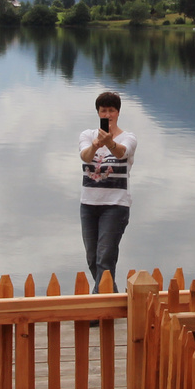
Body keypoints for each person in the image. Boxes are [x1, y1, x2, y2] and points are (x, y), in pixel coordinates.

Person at [79, 91, 137, 291]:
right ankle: (111, 297)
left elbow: (122, 152)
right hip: (88, 205)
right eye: (103, 111)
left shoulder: (129, 138)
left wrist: (110, 143)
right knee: (92, 257)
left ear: (118, 113)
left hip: (115, 206)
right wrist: (96, 145)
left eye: (111, 111)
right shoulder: (87, 136)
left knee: (105, 256)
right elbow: (85, 157)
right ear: (98, 113)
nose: (107, 115)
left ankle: (99, 306)